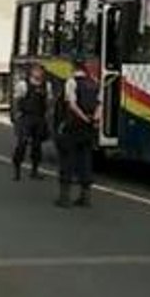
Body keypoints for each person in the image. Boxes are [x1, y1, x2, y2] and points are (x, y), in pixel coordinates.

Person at [55, 60, 101, 208]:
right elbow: (100, 104)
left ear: (73, 68)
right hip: (89, 128)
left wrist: (83, 117)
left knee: (67, 160)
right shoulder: (94, 82)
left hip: (73, 126)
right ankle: (85, 197)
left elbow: (72, 105)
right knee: (85, 160)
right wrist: (94, 119)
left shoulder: (71, 82)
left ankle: (65, 198)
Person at [10, 63, 50, 181]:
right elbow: (17, 100)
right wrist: (17, 115)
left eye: (41, 71)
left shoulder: (46, 85)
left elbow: (48, 102)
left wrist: (46, 117)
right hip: (26, 117)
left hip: (39, 118)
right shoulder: (23, 84)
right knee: (22, 144)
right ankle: (16, 171)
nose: (39, 73)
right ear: (32, 72)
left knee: (37, 146)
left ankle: (35, 171)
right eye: (36, 70)